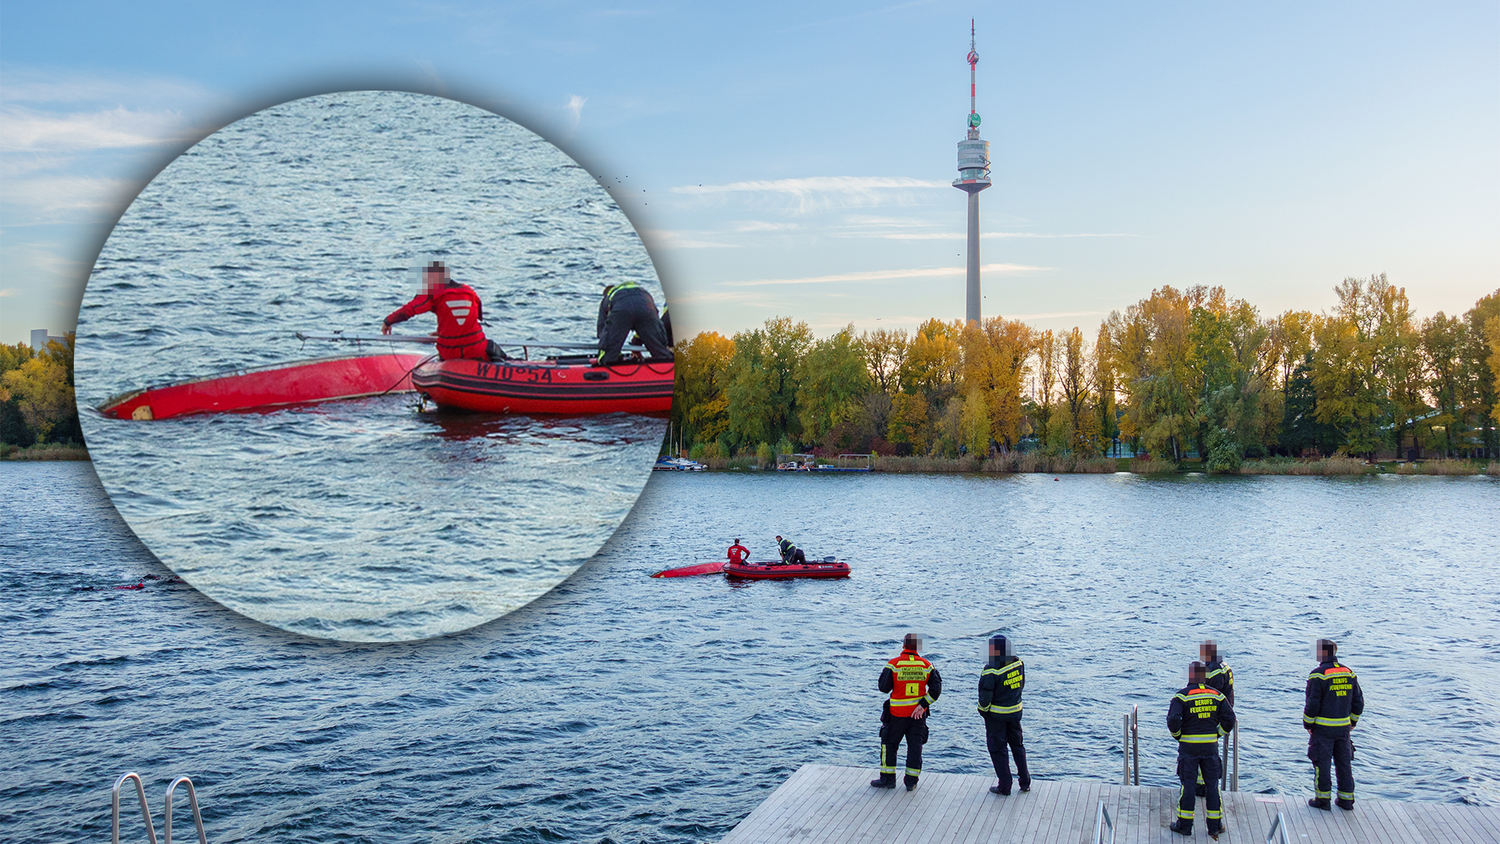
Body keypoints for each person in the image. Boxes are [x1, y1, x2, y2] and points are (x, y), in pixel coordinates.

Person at [382, 261, 506, 362]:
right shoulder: (470, 292)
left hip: (451, 353)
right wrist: (444, 330)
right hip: (476, 349)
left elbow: (409, 310)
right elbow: (469, 320)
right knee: (491, 347)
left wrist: (388, 321)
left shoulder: (433, 293)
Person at [1168, 660, 1235, 838]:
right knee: (1212, 786)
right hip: (1210, 748)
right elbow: (1230, 719)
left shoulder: (1181, 696)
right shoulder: (1217, 696)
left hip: (1188, 748)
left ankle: (1184, 825)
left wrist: (1179, 736)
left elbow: (1173, 720)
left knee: (1188, 786)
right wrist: (1217, 733)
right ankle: (1215, 826)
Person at [873, 633, 942, 791]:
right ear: (918, 647)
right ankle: (911, 782)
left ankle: (888, 780)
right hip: (918, 715)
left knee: (889, 744)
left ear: (903, 645)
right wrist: (923, 704)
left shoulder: (894, 664)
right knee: (915, 747)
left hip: (896, 714)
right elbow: (936, 689)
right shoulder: (927, 665)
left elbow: (883, 688)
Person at [1304, 638, 1364, 811]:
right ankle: (1346, 801)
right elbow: (1358, 702)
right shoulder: (1349, 673)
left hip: (1323, 729)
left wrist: (1308, 723)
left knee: (1321, 765)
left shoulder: (1318, 674)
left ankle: (1323, 801)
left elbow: (1313, 703)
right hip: (1343, 730)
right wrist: (1352, 722)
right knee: (1344, 764)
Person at [978, 634, 1030, 795]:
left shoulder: (991, 670)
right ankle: (1025, 782)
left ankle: (1005, 785)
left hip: (996, 716)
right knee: (1018, 746)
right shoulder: (1018, 663)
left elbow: (985, 697)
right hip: (1015, 712)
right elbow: (1021, 684)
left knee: (998, 749)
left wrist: (983, 711)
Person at [596, 281, 672, 365]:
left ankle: (607, 365)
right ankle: (667, 364)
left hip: (622, 309)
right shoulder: (641, 292)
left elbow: (603, 333)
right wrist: (636, 343)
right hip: (646, 305)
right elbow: (651, 325)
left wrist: (615, 354)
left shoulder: (608, 299)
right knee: (660, 350)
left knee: (608, 353)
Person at [1196, 640, 1234, 796]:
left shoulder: (1214, 669)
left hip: (1212, 716)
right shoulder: (1224, 666)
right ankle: (1205, 782)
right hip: (1222, 712)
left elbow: (1213, 694)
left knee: (1203, 750)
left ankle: (1202, 784)